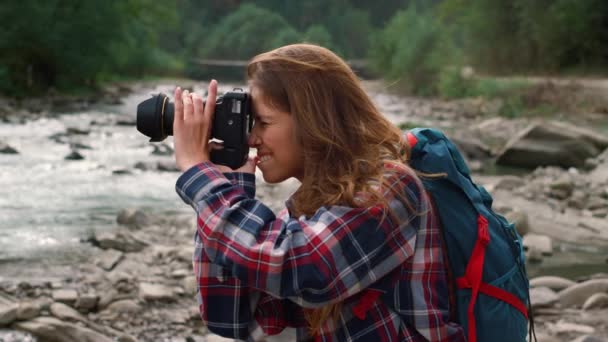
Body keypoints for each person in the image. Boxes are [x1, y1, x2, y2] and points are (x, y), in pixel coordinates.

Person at [172, 43, 465, 341]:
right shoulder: (304, 213)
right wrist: (228, 183)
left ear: (312, 120)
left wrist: (201, 177)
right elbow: (230, 316)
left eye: (263, 122)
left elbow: (305, 269)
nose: (251, 138)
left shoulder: (389, 188)